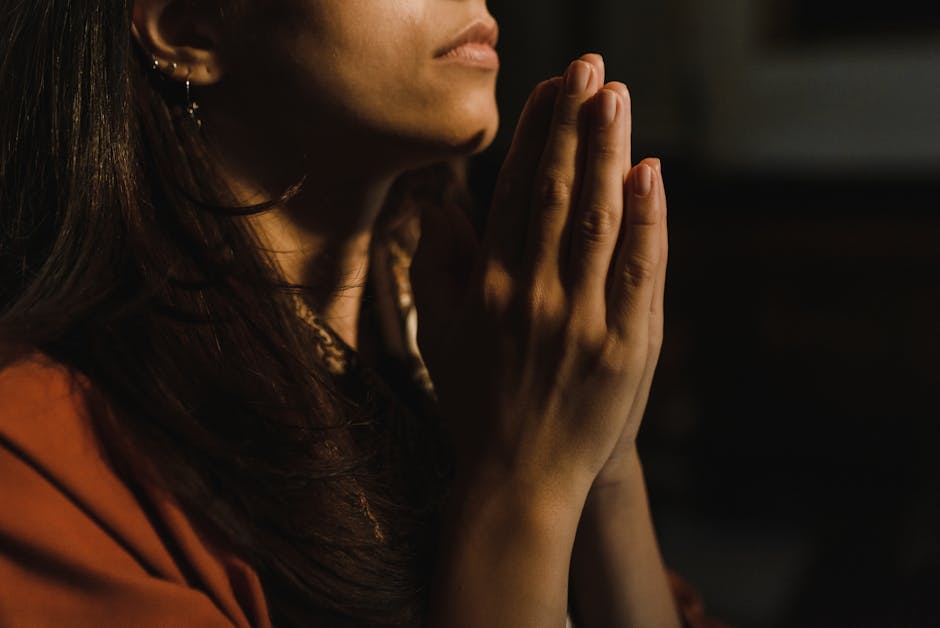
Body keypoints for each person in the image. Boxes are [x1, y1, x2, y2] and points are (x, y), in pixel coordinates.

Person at [0, 1, 720, 626]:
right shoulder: (42, 459)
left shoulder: (470, 340)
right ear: (188, 28)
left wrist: (604, 454)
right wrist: (524, 476)